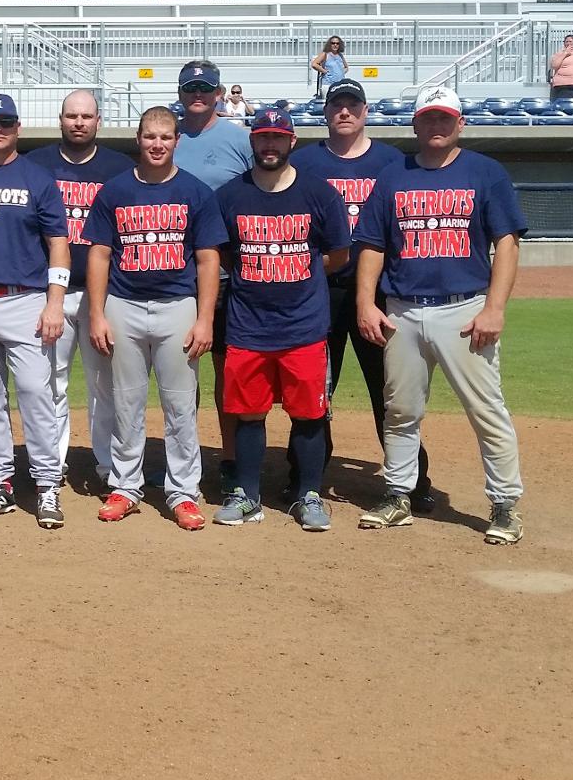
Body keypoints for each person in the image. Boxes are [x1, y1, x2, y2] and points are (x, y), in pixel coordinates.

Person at [353, 85, 526, 544]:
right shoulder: (393, 176)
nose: (436, 125)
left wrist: (495, 308)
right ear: (415, 124)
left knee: (486, 410)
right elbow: (372, 244)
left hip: (465, 310)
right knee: (401, 411)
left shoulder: (485, 173)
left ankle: (505, 505)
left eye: (445, 118)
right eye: (428, 118)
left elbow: (507, 244)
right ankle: (398, 495)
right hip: (403, 312)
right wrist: (365, 303)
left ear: (460, 123)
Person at [85, 106, 227, 531]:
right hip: (124, 305)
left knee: (179, 404)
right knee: (126, 401)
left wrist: (205, 319)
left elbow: (207, 260)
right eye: (150, 136)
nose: (157, 144)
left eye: (165, 137)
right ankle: (125, 485)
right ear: (138, 138)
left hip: (177, 306)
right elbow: (99, 254)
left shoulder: (196, 191)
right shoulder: (115, 191)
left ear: (176, 140)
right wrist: (96, 313)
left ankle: (183, 491)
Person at [290, 78, 431, 506]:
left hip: (379, 295)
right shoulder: (305, 162)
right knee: (315, 387)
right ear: (326, 112)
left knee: (389, 389)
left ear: (366, 111)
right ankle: (306, 475)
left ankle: (410, 480)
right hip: (321, 292)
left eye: (353, 105)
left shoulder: (392, 162)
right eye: (337, 105)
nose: (345, 112)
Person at [211, 107, 350, 532]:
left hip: (303, 325)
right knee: (248, 413)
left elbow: (339, 254)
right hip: (248, 325)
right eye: (262, 137)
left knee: (308, 414)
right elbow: (224, 255)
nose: (269, 145)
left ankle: (307, 494)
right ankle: (248, 494)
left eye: (278, 137)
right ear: (253, 142)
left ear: (292, 143)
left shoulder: (318, 193)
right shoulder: (230, 195)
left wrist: (298, 272)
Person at [0, 92, 71, 528]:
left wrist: (55, 302)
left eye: (4, 121)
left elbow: (58, 242)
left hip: (26, 299)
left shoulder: (37, 178)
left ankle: (46, 484)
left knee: (36, 395)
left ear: (17, 127)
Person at [28, 90, 134, 492]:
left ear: (98, 120)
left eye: (86, 116)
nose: (78, 123)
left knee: (103, 383)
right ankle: (51, 467)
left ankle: (108, 466)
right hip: (49, 291)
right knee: (50, 382)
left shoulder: (119, 168)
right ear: (60, 119)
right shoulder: (35, 165)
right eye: (71, 115)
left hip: (99, 294)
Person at [171, 58, 253, 492]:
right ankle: (183, 459)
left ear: (220, 93)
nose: (198, 94)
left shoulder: (238, 138)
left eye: (206, 88)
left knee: (228, 373)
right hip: (176, 276)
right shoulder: (169, 137)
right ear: (181, 93)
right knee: (181, 375)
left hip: (229, 275)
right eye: (191, 88)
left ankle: (230, 459)